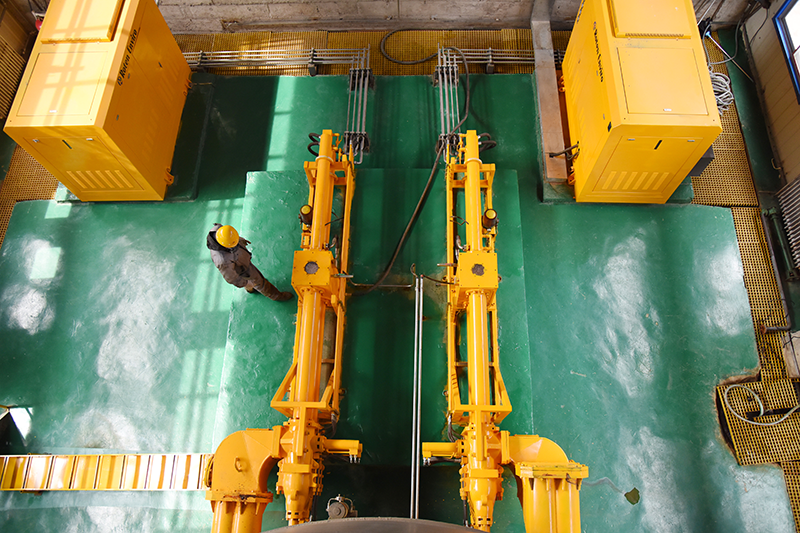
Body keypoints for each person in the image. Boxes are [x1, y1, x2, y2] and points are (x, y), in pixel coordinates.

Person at [207, 223, 293, 301]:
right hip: (243, 269)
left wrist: (240, 240)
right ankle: (276, 296)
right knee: (259, 282)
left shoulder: (221, 231)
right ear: (226, 245)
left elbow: (231, 235)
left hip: (241, 260)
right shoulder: (222, 261)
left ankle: (250, 289)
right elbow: (232, 278)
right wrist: (246, 283)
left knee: (252, 284)